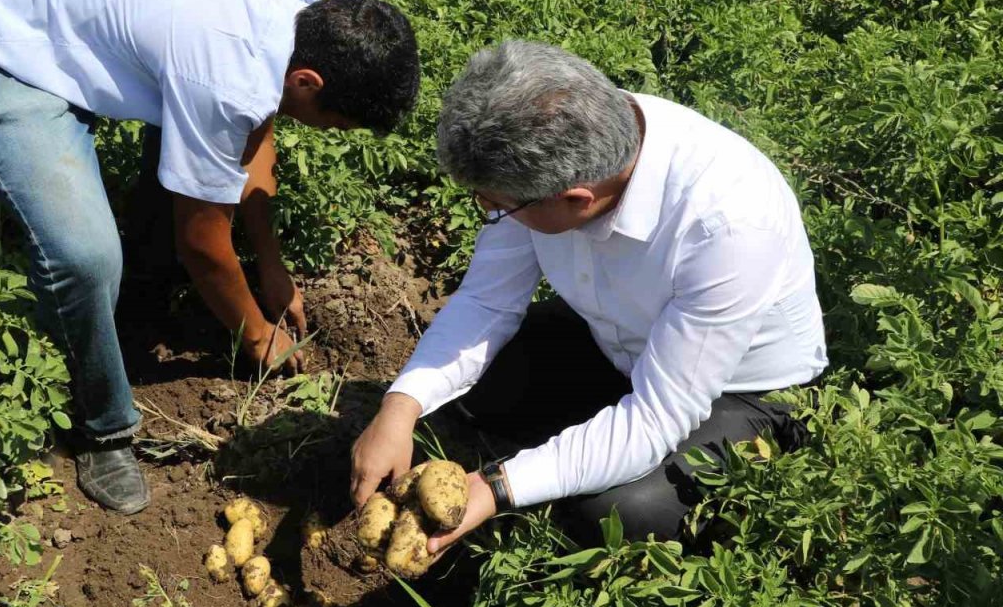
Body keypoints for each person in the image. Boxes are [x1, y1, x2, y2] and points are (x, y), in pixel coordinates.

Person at [0, 0, 420, 515]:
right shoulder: (225, 67)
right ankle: (102, 425)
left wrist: (272, 270)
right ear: (307, 80)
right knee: (85, 255)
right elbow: (201, 242)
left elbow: (251, 144)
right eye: (334, 123)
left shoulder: (296, 6)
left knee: (197, 156)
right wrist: (257, 339)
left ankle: (144, 287)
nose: (328, 134)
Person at [350, 40, 826, 552]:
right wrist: (399, 408)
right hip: (613, 339)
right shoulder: (559, 143)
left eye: (495, 205)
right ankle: (580, 440)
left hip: (742, 391)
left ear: (576, 199)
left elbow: (654, 417)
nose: (485, 211)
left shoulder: (727, 225)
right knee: (476, 390)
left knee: (615, 516)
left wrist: (494, 488)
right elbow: (486, 302)